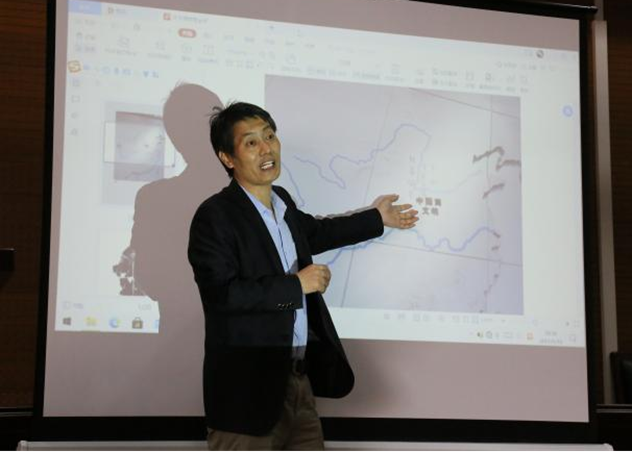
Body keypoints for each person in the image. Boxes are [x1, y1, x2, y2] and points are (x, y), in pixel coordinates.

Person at [188, 102, 418, 451]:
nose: (266, 148)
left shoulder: (281, 202)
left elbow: (317, 233)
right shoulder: (215, 216)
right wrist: (296, 286)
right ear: (227, 158)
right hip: (247, 396)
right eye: (251, 142)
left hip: (298, 383)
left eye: (269, 136)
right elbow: (222, 295)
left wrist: (377, 218)